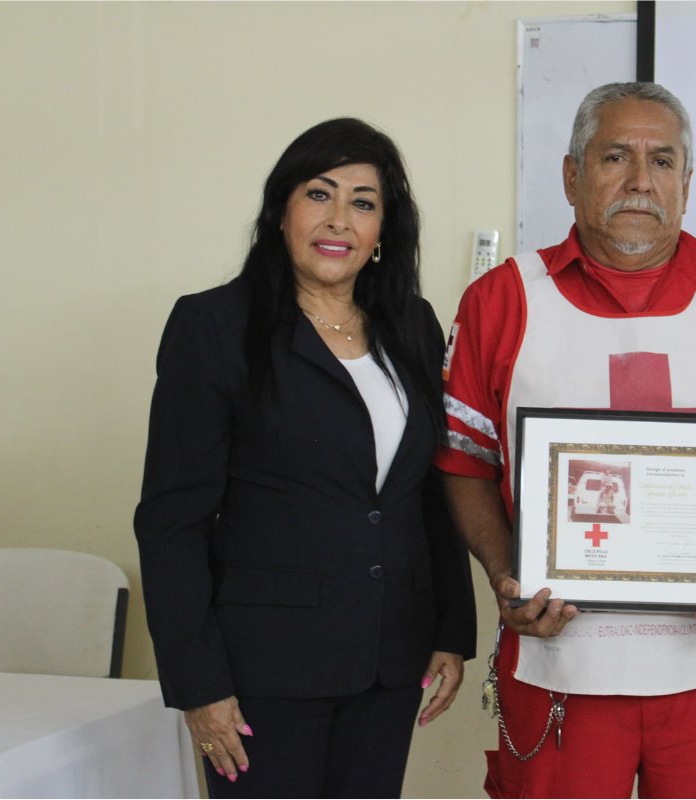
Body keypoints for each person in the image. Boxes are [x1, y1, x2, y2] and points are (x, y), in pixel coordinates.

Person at [436, 82, 696, 799]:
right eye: (615, 158)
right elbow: (465, 465)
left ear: (687, 185)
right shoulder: (502, 300)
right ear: (571, 176)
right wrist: (507, 575)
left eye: (662, 161)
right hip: (558, 667)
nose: (640, 181)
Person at [134, 118, 476, 798]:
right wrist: (198, 685)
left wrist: (450, 629)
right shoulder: (215, 327)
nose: (340, 220)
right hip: (264, 671)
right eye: (319, 194)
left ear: (384, 230)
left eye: (364, 202)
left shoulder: (412, 323)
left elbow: (428, 492)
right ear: (281, 210)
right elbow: (172, 521)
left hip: (390, 659)